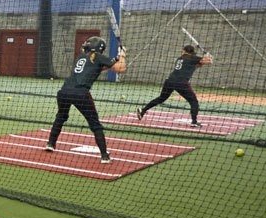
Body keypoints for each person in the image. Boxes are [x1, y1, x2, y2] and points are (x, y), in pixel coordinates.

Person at [44, 36, 126, 164]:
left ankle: (50, 143)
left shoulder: (82, 57)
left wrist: (115, 59)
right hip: (80, 93)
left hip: (64, 92)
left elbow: (100, 67)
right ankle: (104, 155)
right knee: (95, 124)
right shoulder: (98, 56)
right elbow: (120, 69)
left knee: (61, 116)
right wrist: (122, 56)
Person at [137, 44, 213, 126]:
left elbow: (197, 65)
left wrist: (205, 57)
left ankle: (143, 110)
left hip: (169, 81)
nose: (181, 52)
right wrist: (208, 57)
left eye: (183, 50)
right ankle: (194, 122)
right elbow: (209, 62)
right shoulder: (193, 58)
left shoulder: (181, 58)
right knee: (193, 101)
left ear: (185, 51)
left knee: (161, 98)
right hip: (181, 83)